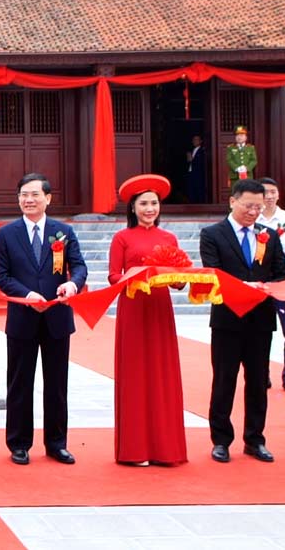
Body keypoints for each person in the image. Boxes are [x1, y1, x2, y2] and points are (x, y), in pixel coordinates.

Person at [0, 173, 87, 466]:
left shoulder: (63, 231)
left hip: (57, 318)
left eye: (35, 194)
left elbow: (79, 267)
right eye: (24, 194)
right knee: (19, 383)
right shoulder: (7, 233)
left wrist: (73, 285)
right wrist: (27, 294)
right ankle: (19, 443)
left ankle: (57, 443)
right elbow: (1, 276)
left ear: (48, 198)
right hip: (23, 316)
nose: (29, 200)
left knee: (56, 384)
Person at [200, 178, 285, 463]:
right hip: (228, 320)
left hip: (260, 321)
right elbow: (213, 272)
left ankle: (255, 439)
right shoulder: (212, 234)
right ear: (233, 201)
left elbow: (282, 274)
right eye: (248, 206)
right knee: (224, 380)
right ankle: (221, 440)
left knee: (257, 382)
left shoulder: (269, 235)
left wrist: (269, 286)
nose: (254, 212)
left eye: (259, 206)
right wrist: (244, 285)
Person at [107, 174, 187, 466]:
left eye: (154, 203)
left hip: (159, 308)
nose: (150, 208)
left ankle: (165, 448)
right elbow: (113, 275)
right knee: (136, 374)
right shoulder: (122, 238)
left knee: (161, 373)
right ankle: (135, 448)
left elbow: (179, 278)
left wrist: (179, 278)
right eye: (144, 203)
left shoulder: (169, 238)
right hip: (133, 307)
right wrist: (130, 276)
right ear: (132, 208)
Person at [256, 177, 285, 394]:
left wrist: (266, 243)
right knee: (261, 330)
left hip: (284, 276)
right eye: (265, 192)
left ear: (278, 194)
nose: (269, 196)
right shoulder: (253, 217)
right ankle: (262, 375)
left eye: (273, 192)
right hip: (261, 276)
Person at [185, 135, 207, 204]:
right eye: (194, 140)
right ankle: (192, 203)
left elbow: (200, 162)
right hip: (191, 172)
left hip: (198, 173)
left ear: (200, 141)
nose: (194, 141)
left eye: (196, 140)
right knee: (191, 188)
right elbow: (189, 161)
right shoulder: (192, 150)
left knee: (199, 189)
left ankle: (200, 204)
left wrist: (191, 159)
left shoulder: (202, 150)